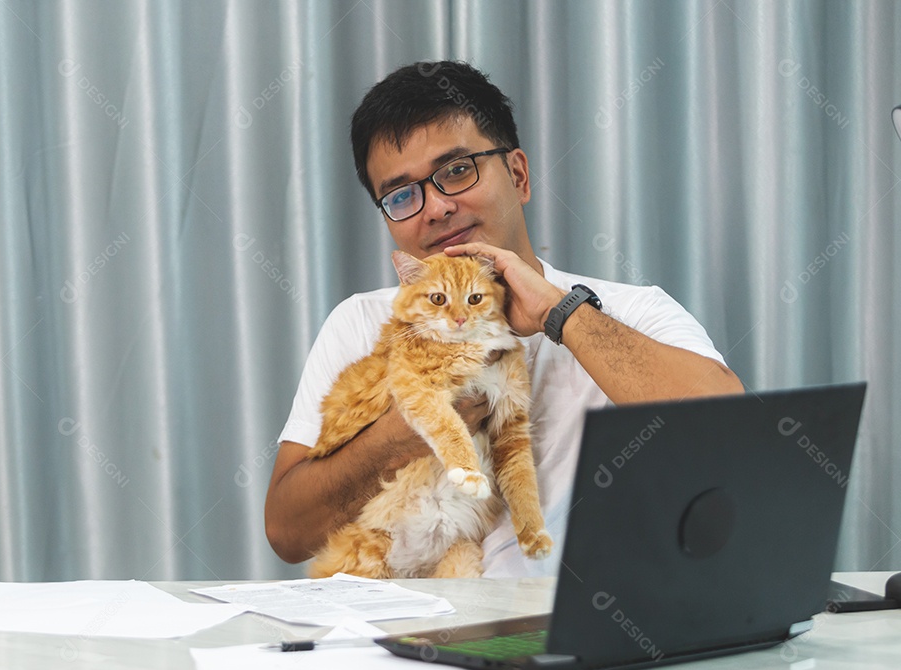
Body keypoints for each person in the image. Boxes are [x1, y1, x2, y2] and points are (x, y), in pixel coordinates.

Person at [265, 61, 744, 575]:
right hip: (411, 638)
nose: (436, 209)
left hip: (581, 634)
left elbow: (732, 440)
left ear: (518, 175)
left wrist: (560, 313)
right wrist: (403, 431)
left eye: (456, 171)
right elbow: (289, 533)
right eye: (402, 195)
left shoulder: (630, 311)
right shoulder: (360, 323)